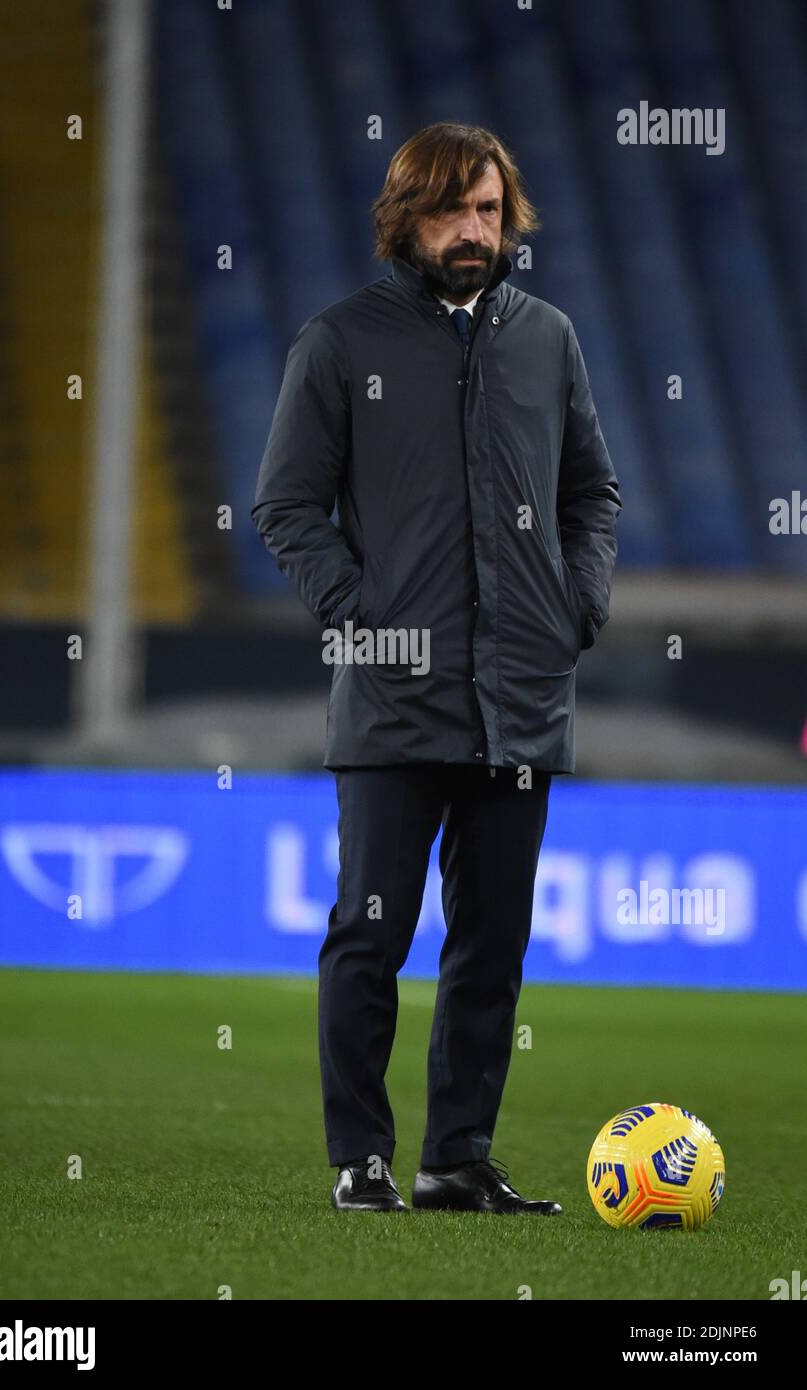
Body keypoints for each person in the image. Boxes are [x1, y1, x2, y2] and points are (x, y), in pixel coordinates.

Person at [252, 122, 621, 1214]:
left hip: (519, 699)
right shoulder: (337, 343)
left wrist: (577, 603)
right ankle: (360, 1159)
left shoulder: (545, 338)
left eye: (488, 210)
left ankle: (456, 1157)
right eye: (449, 209)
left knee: (491, 947)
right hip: (391, 696)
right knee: (369, 934)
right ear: (402, 217)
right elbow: (284, 507)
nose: (472, 230)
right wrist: (363, 614)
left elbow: (589, 493)